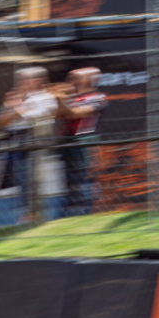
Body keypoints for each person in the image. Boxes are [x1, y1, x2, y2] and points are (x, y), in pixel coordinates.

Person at [0, 67, 57, 222]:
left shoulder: (46, 97)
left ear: (39, 80)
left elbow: (33, 118)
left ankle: (35, 214)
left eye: (26, 79)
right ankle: (26, 214)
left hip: (33, 139)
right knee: (19, 179)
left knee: (32, 179)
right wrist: (15, 108)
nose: (22, 83)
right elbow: (0, 123)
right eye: (21, 80)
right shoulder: (14, 99)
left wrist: (16, 109)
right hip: (15, 140)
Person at [52, 67, 106, 218]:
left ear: (87, 80)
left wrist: (61, 98)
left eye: (74, 78)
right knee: (70, 180)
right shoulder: (71, 97)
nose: (70, 82)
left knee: (85, 178)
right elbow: (57, 114)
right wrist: (60, 98)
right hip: (68, 143)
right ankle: (71, 212)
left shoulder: (97, 97)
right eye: (70, 78)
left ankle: (87, 211)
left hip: (84, 142)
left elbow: (75, 114)